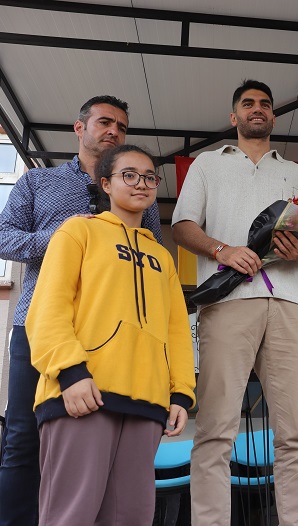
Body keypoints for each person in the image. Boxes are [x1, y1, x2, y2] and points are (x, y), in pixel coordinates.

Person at [0, 95, 162, 526]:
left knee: (102, 444)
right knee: (22, 439)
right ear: (79, 128)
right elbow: (3, 236)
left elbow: (154, 255)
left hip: (114, 339)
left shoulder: (140, 194)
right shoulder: (39, 182)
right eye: (105, 122)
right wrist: (63, 236)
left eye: (121, 127)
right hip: (40, 326)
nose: (113, 131)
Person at [172, 80, 298, 526]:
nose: (258, 109)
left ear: (273, 117)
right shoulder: (206, 163)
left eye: (265, 104)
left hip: (290, 303)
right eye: (248, 103)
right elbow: (182, 226)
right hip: (228, 301)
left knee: (295, 434)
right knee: (216, 430)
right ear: (234, 116)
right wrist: (223, 250)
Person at [25, 145, 195, 525]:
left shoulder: (163, 257)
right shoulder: (78, 230)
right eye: (129, 175)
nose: (141, 184)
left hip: (147, 402)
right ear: (105, 183)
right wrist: (70, 372)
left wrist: (181, 392)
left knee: (132, 516)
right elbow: (48, 308)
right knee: (71, 515)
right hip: (82, 393)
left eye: (149, 177)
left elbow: (177, 330)